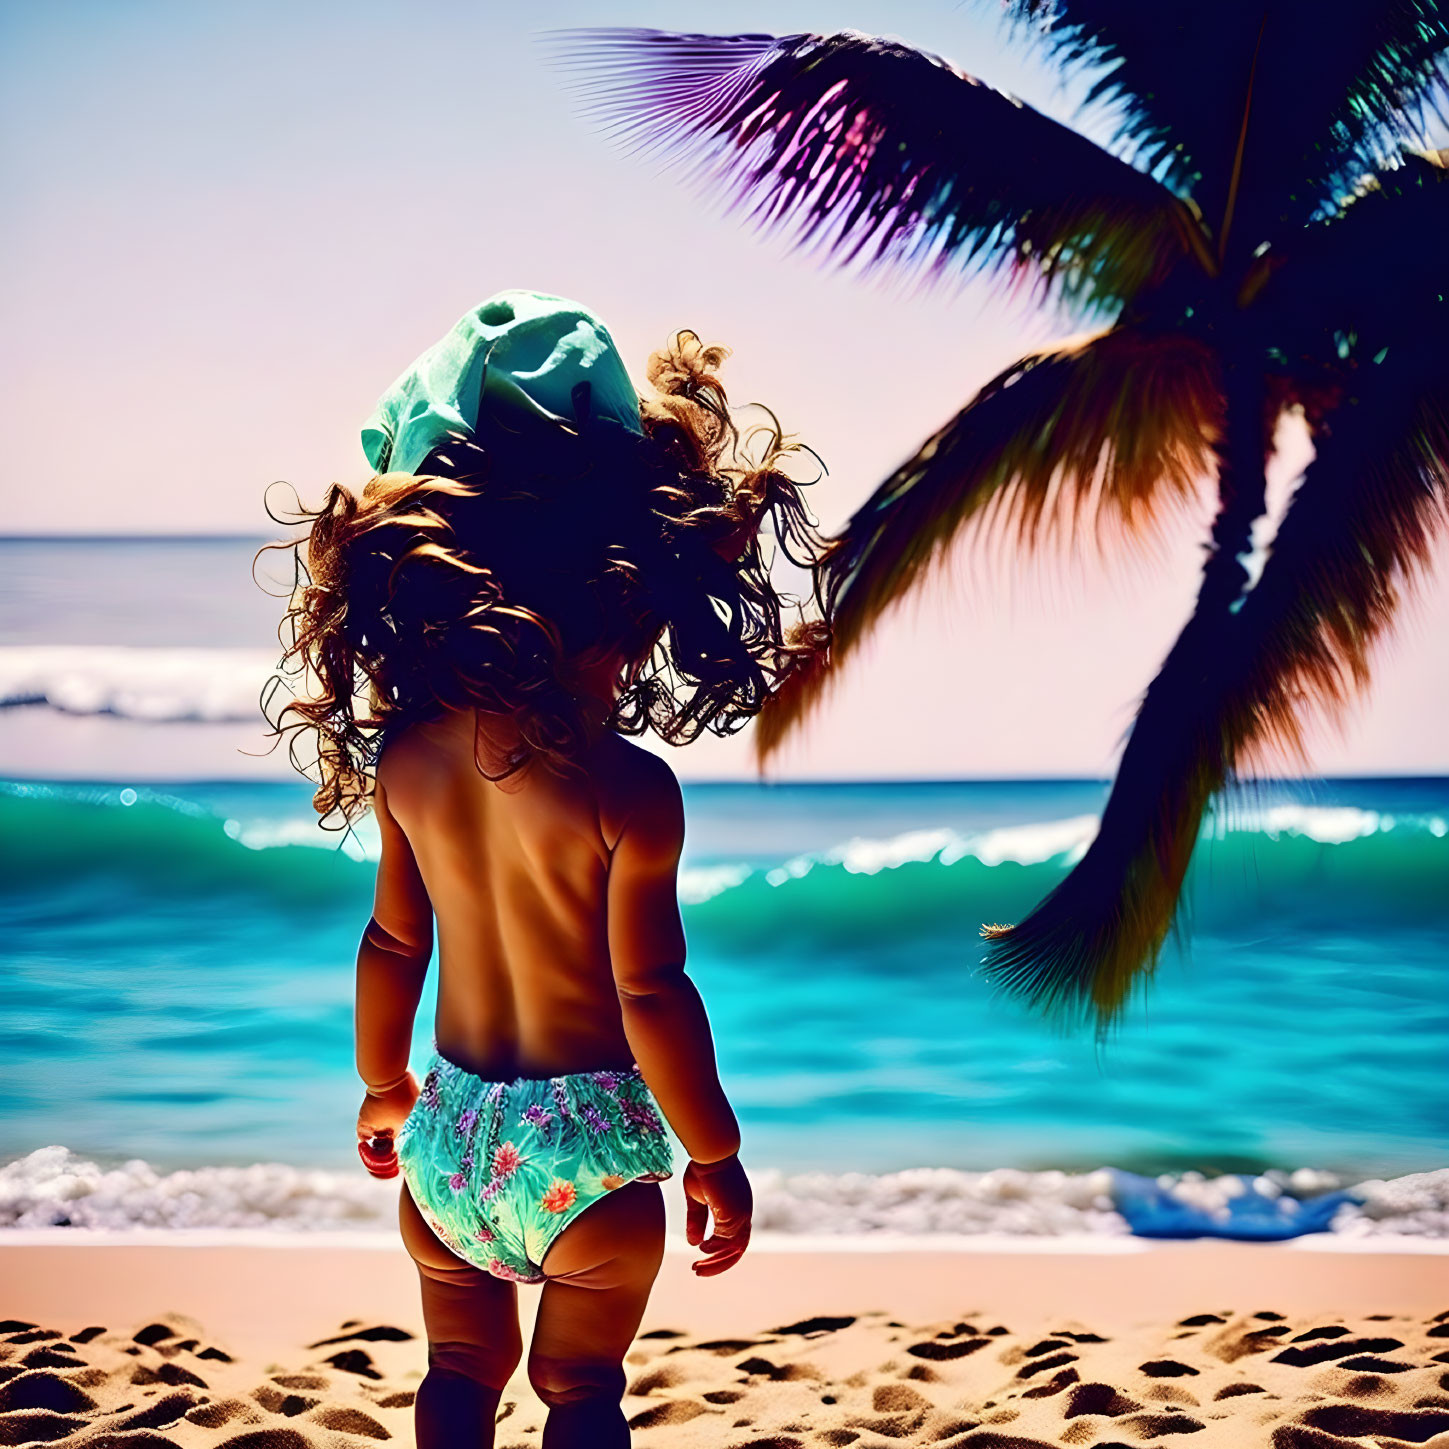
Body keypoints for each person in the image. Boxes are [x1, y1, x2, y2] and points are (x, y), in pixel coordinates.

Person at [265, 290, 827, 1448]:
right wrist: (713, 1152)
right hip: (593, 1156)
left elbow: (391, 945)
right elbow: (651, 992)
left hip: (451, 1142)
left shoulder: (412, 760)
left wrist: (381, 1088)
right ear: (626, 603)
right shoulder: (628, 790)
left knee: (459, 1375)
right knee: (582, 1392)